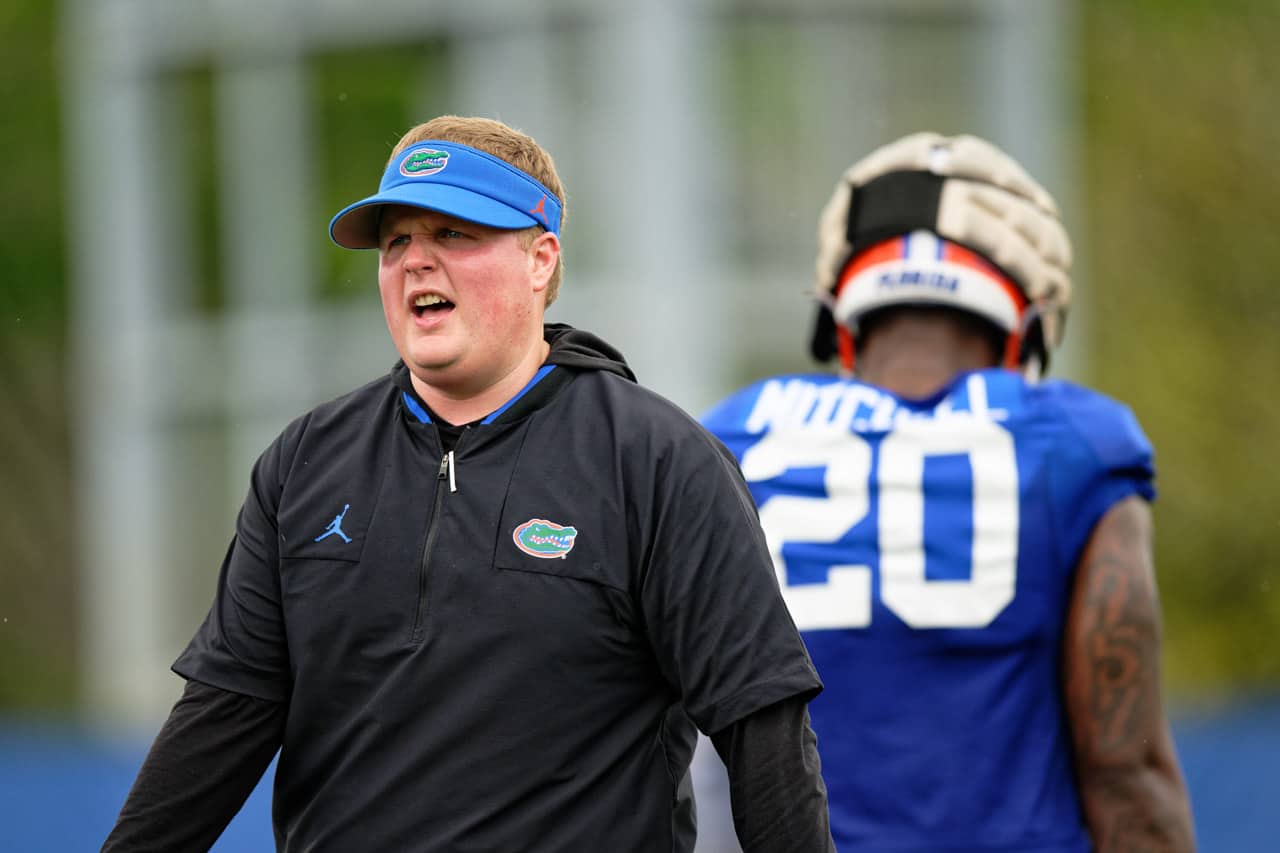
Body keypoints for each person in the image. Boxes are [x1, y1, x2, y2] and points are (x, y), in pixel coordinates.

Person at [103, 115, 835, 852]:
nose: (416, 261)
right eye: (396, 242)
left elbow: (762, 730)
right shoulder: (305, 462)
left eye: (454, 234)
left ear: (540, 258)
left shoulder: (656, 460)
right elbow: (225, 716)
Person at [700, 132, 1196, 852]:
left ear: (841, 321)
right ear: (1026, 325)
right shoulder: (1078, 443)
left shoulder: (724, 438)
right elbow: (1126, 770)